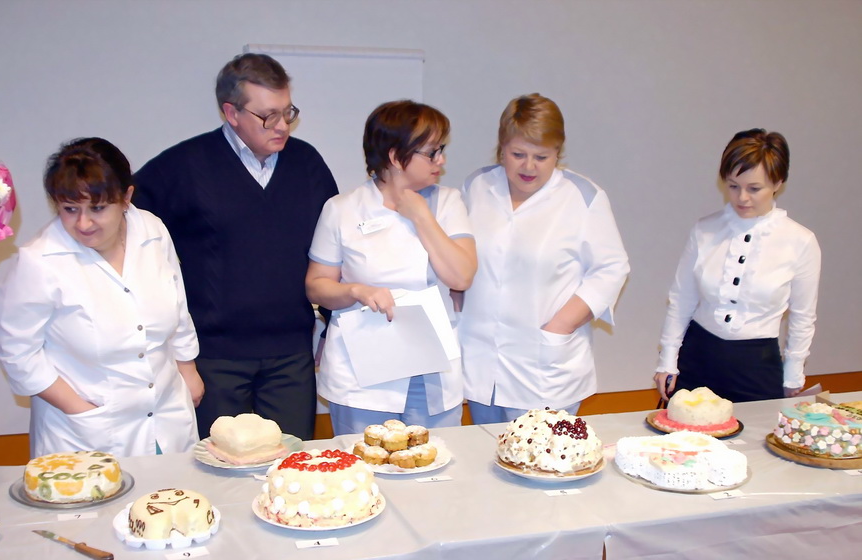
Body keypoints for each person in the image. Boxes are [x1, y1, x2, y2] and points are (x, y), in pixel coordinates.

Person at [133, 53, 338, 440]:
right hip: (214, 356)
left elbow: (333, 251)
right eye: (268, 116)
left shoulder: (307, 164)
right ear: (232, 113)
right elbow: (127, 226)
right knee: (217, 465)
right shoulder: (184, 165)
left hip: (291, 353)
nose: (282, 126)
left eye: (287, 112)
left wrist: (332, 326)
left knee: (292, 463)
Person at [0, 138, 203, 457]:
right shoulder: (39, 261)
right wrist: (78, 408)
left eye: (98, 208)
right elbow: (17, 352)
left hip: (167, 413)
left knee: (172, 487)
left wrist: (188, 370)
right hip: (88, 430)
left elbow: (178, 304)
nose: (84, 223)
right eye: (70, 209)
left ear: (126, 198)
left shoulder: (152, 230)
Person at [306, 100, 477, 435]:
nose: (441, 161)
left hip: (431, 369)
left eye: (441, 150)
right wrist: (355, 290)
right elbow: (316, 285)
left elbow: (461, 276)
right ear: (397, 157)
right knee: (363, 462)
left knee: (435, 460)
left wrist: (422, 216)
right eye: (432, 152)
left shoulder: (448, 202)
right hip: (362, 371)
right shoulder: (342, 209)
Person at [456, 93, 629, 424]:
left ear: (558, 153)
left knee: (542, 451)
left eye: (541, 156)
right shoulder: (477, 186)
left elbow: (612, 268)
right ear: (501, 149)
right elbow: (460, 253)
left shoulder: (582, 196)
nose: (528, 167)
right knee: (484, 447)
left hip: (543, 363)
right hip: (481, 360)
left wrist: (561, 325)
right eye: (517, 154)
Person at [654, 129, 821, 404]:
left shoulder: (801, 241)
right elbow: (681, 299)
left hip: (757, 364)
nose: (742, 197)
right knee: (682, 431)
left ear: (778, 182)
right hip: (697, 357)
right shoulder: (704, 230)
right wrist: (667, 360)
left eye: (754, 188)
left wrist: (793, 374)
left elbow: (803, 317)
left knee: (757, 432)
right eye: (733, 186)